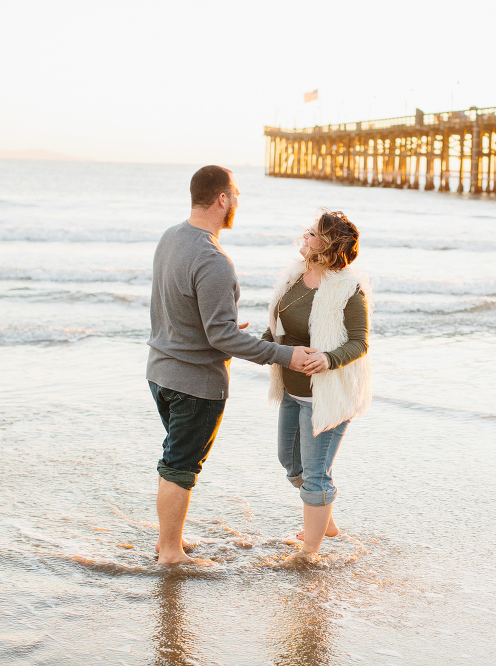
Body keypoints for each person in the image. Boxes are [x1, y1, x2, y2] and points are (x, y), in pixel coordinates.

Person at [147, 165, 315, 565]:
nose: (238, 201)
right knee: (180, 465)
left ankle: (169, 541)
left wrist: (219, 323)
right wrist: (285, 354)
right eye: (236, 194)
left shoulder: (171, 237)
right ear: (222, 198)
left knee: (174, 457)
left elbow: (176, 304)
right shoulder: (214, 258)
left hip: (159, 373)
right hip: (195, 383)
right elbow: (221, 338)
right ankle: (170, 552)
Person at [262, 209, 372, 562]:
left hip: (327, 397)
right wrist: (250, 342)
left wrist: (327, 359)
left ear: (328, 245)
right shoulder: (294, 277)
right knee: (290, 464)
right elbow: (279, 329)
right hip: (292, 391)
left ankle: (309, 553)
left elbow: (359, 342)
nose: (304, 236)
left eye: (312, 234)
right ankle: (326, 523)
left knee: (315, 475)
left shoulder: (347, 289)